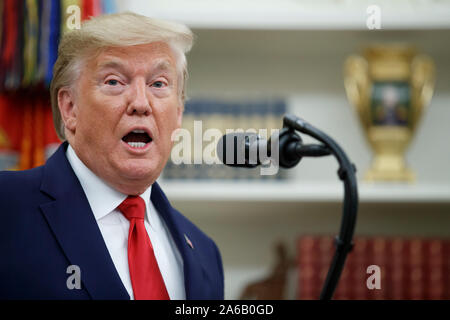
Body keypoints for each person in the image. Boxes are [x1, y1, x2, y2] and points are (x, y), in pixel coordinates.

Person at [0, 12, 224, 300]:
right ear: (70, 108)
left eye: (158, 84)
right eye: (115, 81)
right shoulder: (7, 207)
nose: (141, 103)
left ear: (178, 114)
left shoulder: (205, 254)